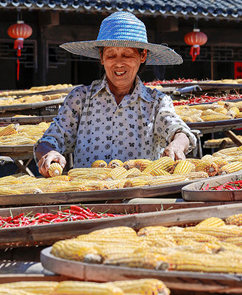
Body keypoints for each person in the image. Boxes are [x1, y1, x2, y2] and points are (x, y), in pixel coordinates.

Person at [35, 11, 197, 176]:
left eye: (127, 55)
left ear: (142, 55)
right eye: (111, 55)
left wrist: (176, 145)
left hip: (139, 196)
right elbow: (49, 140)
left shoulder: (156, 102)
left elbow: (179, 130)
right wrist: (49, 152)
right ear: (102, 57)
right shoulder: (80, 99)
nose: (119, 63)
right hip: (88, 195)